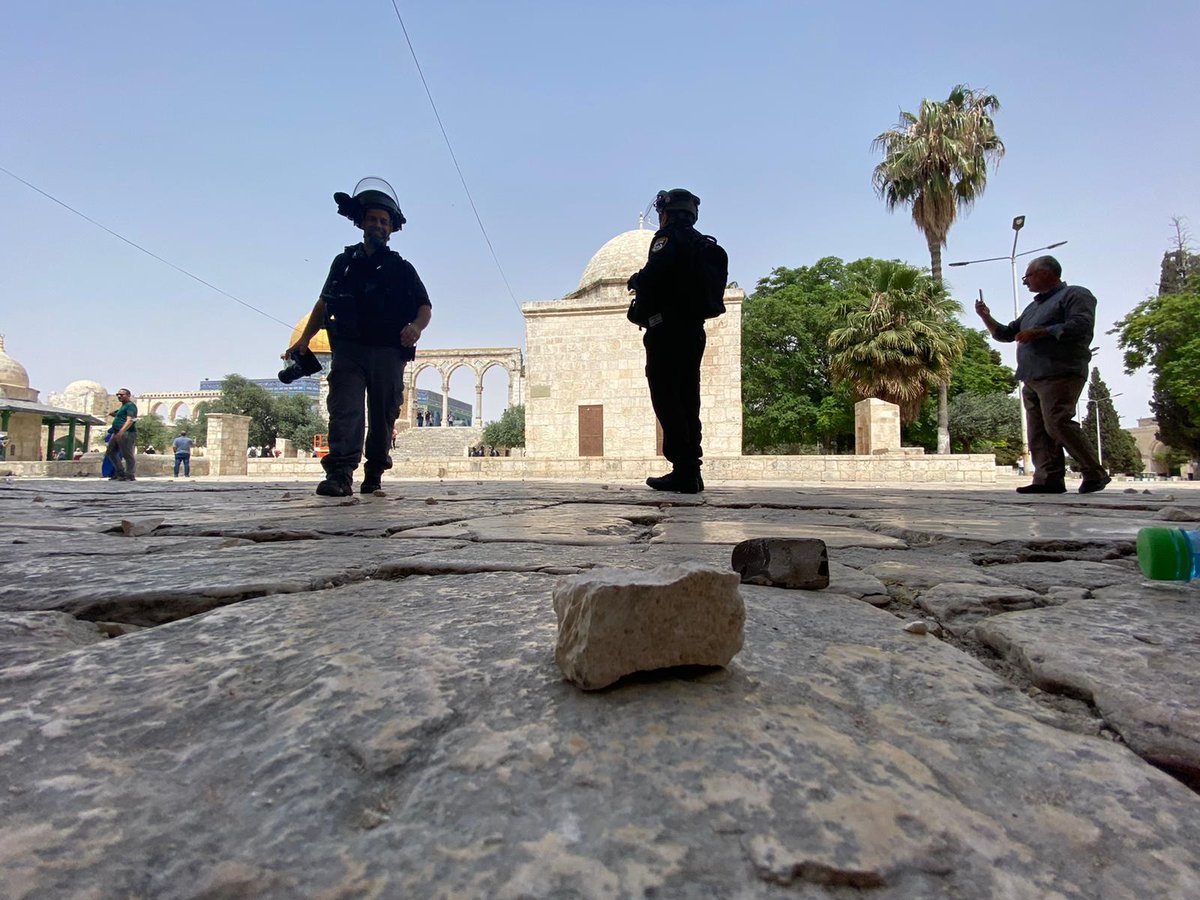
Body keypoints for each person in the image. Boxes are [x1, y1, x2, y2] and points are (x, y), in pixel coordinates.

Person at [284, 177, 432, 497]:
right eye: (373, 219)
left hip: (388, 351)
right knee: (345, 407)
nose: (378, 225)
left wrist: (416, 328)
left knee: (383, 413)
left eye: (384, 221)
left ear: (391, 228)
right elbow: (324, 304)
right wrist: (303, 340)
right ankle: (340, 473)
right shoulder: (344, 263)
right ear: (362, 223)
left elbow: (424, 307)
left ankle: (375, 471)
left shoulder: (401, 268)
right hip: (349, 347)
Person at [975, 255, 1110, 494]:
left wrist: (1041, 333)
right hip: (1032, 375)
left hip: (1060, 371)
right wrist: (985, 316)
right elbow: (1005, 334)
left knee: (1057, 422)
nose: (1025, 282)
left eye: (1028, 276)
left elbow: (1081, 326)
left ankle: (1094, 472)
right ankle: (1048, 478)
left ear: (1046, 273)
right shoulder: (1033, 307)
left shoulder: (1075, 295)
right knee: (1037, 429)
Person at [627, 188, 710, 494]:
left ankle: (683, 471)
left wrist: (637, 280)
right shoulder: (701, 244)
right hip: (693, 331)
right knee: (689, 398)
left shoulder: (667, 240)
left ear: (666, 214)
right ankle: (692, 470)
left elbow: (654, 275)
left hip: (667, 331)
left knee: (667, 398)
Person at [105, 388, 138, 482]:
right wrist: (115, 414)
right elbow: (123, 416)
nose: (119, 396)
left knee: (127, 455)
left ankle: (130, 475)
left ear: (128, 396)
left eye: (122, 395)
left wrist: (121, 431)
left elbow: (130, 420)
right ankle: (120, 473)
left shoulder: (131, 406)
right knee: (111, 452)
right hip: (117, 433)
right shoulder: (124, 406)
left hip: (126, 433)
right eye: (118, 394)